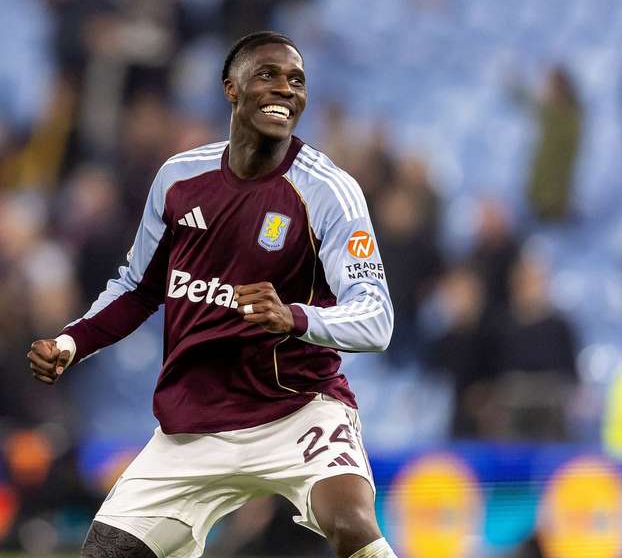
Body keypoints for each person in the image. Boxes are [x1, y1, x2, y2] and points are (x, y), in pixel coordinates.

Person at [27, 31, 396, 558]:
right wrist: (71, 343)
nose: (285, 89)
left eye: (297, 81)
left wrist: (293, 316)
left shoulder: (329, 191)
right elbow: (137, 288)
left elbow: (377, 316)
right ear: (231, 89)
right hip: (193, 428)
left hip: (296, 410)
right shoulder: (179, 180)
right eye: (268, 74)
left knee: (351, 524)